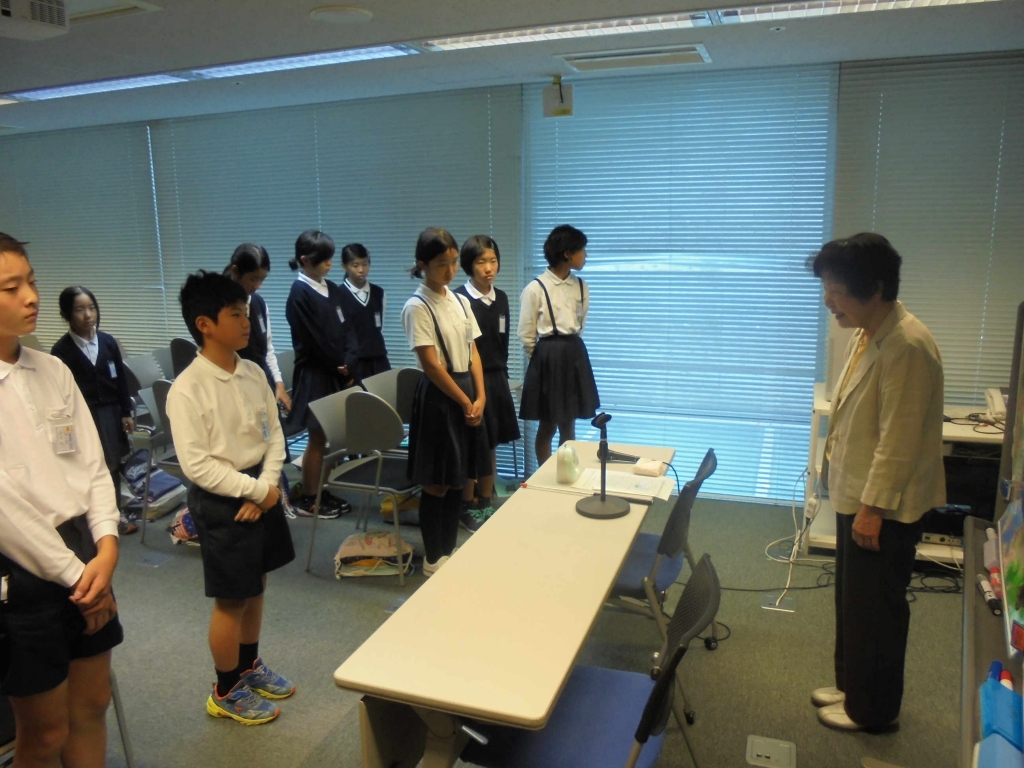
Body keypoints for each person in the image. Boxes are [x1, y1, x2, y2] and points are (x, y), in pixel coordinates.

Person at [810, 232, 945, 732]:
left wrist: (873, 509)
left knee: (877, 612)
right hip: (858, 494)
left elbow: (899, 441)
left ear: (876, 288)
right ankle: (852, 687)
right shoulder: (868, 331)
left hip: (883, 507)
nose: (830, 301)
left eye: (838, 291)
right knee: (854, 603)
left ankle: (873, 712)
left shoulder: (906, 345)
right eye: (827, 289)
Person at [0, 232, 124, 766]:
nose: (31, 296)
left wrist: (107, 545)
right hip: (24, 570)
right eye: (11, 288)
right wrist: (78, 577)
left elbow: (92, 466)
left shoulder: (53, 370)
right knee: (45, 733)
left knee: (91, 706)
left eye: (30, 282)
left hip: (86, 555)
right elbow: (6, 512)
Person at [166, 270, 296, 725]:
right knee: (231, 599)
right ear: (205, 324)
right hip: (224, 498)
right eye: (236, 315)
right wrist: (259, 491)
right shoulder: (188, 388)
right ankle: (225, 690)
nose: (247, 323)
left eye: (247, 314)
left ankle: (247, 665)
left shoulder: (253, 371)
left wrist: (268, 486)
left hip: (262, 486)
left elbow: (273, 435)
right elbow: (197, 466)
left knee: (256, 584)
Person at [402, 227, 490, 575]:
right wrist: (465, 400)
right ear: (423, 264)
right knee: (437, 482)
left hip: (466, 390)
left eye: (454, 262)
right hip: (439, 397)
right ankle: (433, 556)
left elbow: (473, 350)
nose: (450, 270)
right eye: (442, 264)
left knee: (460, 477)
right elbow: (431, 365)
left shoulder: (460, 300)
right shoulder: (417, 306)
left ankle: (450, 550)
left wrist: (481, 396)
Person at [283, 230, 359, 518]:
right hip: (316, 373)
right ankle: (309, 496)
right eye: (323, 259)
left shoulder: (333, 289)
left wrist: (349, 360)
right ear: (305, 260)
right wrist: (337, 363)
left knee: (329, 437)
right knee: (317, 436)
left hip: (337, 370)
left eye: (330, 258)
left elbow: (348, 329)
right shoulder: (299, 293)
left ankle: (321, 490)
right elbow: (313, 339)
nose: (329, 264)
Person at [51, 286, 137, 535]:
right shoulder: (61, 350)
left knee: (112, 464)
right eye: (79, 310)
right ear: (66, 315)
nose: (88, 315)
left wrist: (126, 412)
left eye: (91, 308)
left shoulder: (108, 342)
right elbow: (59, 393)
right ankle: (92, 517)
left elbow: (121, 381)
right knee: (88, 465)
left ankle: (115, 514)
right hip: (81, 416)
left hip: (110, 412)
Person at [518, 224, 599, 466]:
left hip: (574, 353)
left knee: (569, 423)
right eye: (582, 250)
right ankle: (544, 476)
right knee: (548, 424)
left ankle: (567, 472)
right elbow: (526, 335)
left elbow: (580, 324)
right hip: (548, 357)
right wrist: (544, 360)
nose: (586, 255)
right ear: (567, 253)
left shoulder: (582, 286)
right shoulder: (535, 288)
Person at [454, 235, 517, 531]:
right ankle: (466, 504)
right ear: (469, 265)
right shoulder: (459, 299)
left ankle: (486, 500)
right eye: (481, 262)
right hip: (469, 380)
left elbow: (502, 342)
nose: (489, 268)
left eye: (493, 261)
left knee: (490, 442)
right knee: (472, 444)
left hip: (496, 376)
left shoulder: (501, 297)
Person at [224, 242, 292, 412]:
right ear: (235, 271)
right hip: (234, 389)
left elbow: (267, 349)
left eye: (262, 279)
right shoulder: (220, 307)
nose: (258, 285)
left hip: (262, 382)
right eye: (253, 279)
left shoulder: (258, 303)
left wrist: (279, 384)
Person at [337, 243, 391, 380]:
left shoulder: (379, 293)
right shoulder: (337, 295)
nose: (361, 270)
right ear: (344, 266)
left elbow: (380, 329)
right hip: (355, 363)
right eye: (355, 265)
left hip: (379, 359)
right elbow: (339, 334)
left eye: (365, 264)